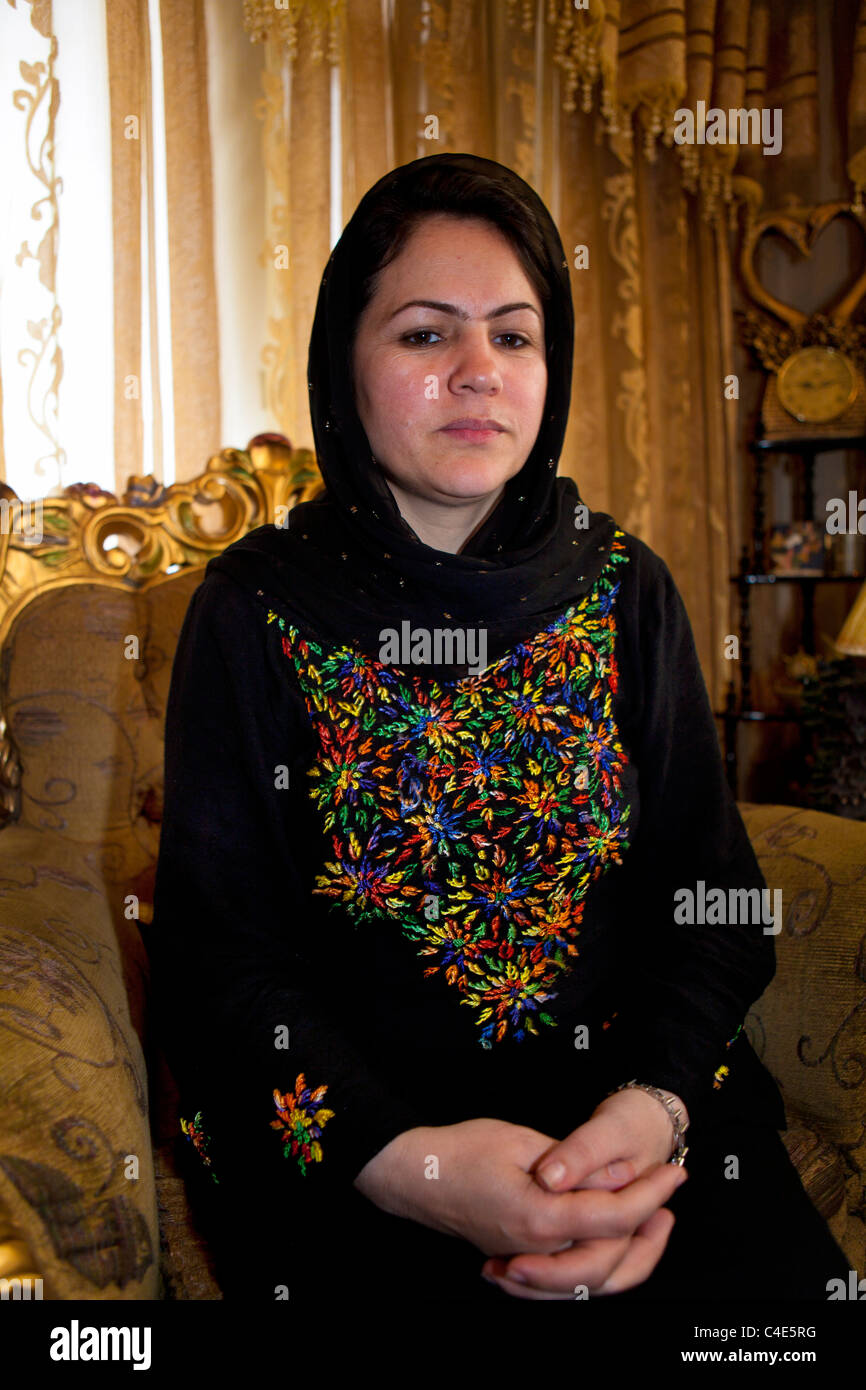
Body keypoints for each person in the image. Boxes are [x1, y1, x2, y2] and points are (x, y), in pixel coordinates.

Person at [143, 152, 850, 1304]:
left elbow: (712, 906)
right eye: (425, 335)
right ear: (345, 365)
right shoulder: (254, 607)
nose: (478, 371)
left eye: (513, 337)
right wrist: (411, 1163)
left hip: (633, 1124)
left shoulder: (624, 587)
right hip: (359, 1148)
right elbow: (223, 964)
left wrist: (648, 1115)